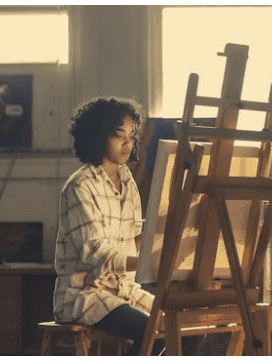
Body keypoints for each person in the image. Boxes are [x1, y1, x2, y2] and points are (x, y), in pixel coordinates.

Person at [53, 97, 201, 355]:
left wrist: (163, 230)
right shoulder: (81, 186)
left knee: (186, 329)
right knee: (151, 330)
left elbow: (134, 241)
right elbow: (97, 256)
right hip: (86, 295)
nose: (127, 143)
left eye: (132, 137)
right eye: (119, 135)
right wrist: (150, 262)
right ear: (98, 136)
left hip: (124, 291)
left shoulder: (127, 180)